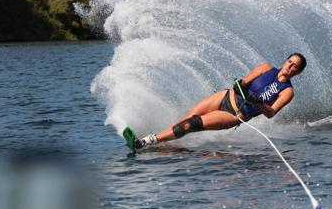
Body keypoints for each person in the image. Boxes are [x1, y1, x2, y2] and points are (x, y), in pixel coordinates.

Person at [123, 53, 307, 152]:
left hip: (235, 115)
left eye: (294, 66)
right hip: (225, 96)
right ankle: (158, 141)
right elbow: (244, 82)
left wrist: (259, 103)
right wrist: (239, 85)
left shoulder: (288, 91)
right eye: (289, 61)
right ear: (285, 60)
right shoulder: (266, 68)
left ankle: (145, 143)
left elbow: (271, 113)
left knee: (191, 124)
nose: (290, 66)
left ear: (298, 72)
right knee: (186, 118)